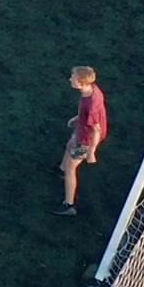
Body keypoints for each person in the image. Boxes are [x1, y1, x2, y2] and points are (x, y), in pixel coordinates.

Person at [52, 66, 108, 216]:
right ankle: (61, 170)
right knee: (69, 145)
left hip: (85, 139)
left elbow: (95, 130)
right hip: (82, 132)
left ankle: (69, 204)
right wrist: (78, 118)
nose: (70, 79)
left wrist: (91, 152)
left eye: (73, 78)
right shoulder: (93, 90)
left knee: (72, 167)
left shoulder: (91, 104)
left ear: (81, 83)